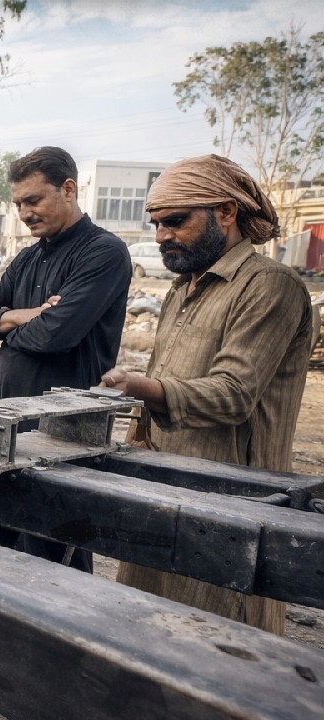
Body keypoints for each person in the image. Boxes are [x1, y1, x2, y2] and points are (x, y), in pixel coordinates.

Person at [99, 154, 313, 635]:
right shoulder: (181, 288)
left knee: (221, 649)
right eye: (156, 224)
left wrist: (140, 387)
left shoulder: (269, 286)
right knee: (146, 634)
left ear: (226, 212)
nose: (160, 237)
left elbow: (234, 394)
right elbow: (167, 382)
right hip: (166, 491)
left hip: (236, 503)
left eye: (175, 222)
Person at [0, 146, 131, 573]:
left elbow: (56, 335)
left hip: (60, 436)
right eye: (18, 203)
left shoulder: (104, 253)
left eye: (33, 200)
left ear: (69, 189)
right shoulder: (27, 258)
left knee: (52, 561)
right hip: (2, 425)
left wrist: (9, 325)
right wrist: (27, 314)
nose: (24, 213)